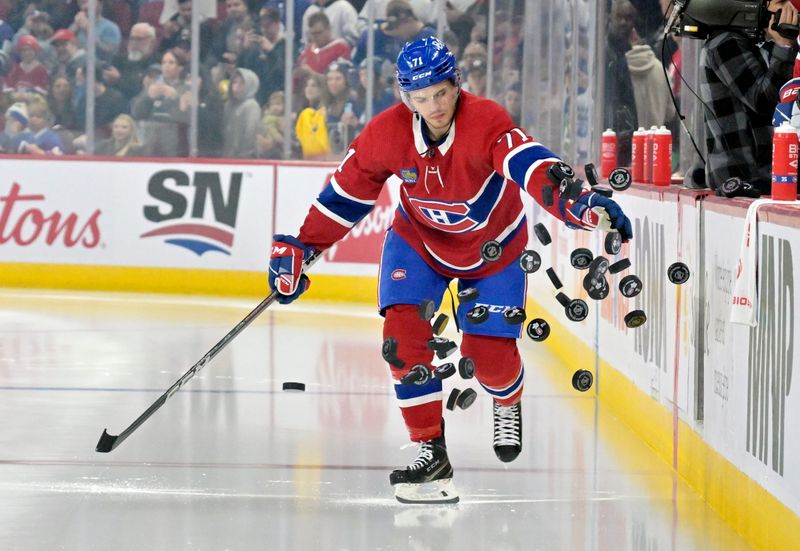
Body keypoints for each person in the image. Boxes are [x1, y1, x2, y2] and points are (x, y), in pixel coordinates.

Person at [267, 37, 633, 503]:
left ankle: (507, 398)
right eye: (421, 98)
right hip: (417, 242)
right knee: (401, 340)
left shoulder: (486, 121)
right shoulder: (387, 132)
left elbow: (531, 164)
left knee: (488, 360)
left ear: (457, 82)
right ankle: (429, 452)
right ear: (406, 98)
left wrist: (578, 203)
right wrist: (303, 247)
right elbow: (346, 194)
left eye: (441, 92)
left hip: (494, 250)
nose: (434, 106)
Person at [699, 0, 799, 194]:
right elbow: (763, 101)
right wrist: (785, 47)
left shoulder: (764, 44)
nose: (790, 9)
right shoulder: (724, 43)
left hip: (766, 177)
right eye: (781, 2)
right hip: (744, 180)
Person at [222, 67, 261, 158]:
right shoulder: (228, 105)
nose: (237, 86)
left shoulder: (251, 105)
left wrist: (244, 155)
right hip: (228, 155)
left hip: (245, 158)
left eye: (242, 83)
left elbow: (250, 133)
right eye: (235, 82)